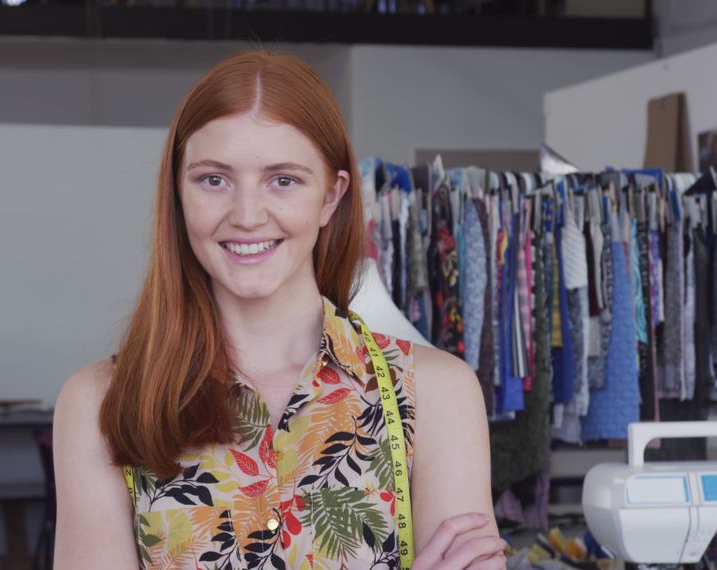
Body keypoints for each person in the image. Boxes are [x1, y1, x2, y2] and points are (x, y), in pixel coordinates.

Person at [53, 51, 503, 569]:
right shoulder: (102, 404)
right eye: (213, 180)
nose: (247, 215)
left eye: (283, 180)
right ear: (178, 193)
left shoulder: (436, 393)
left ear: (330, 198)